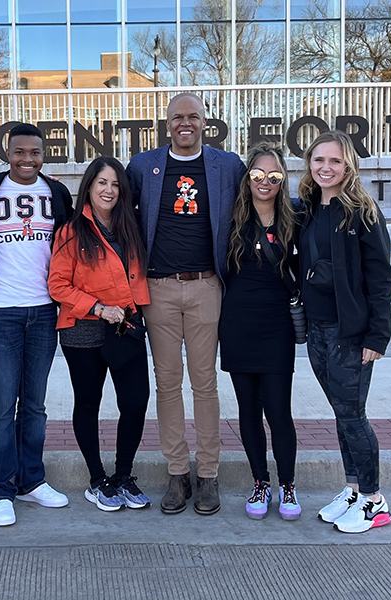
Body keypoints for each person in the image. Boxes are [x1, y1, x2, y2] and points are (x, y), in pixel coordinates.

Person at [126, 92, 246, 515]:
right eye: (178, 117)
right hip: (158, 288)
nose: (185, 123)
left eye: (193, 116)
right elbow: (122, 218)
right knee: (167, 382)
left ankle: (208, 474)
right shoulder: (143, 166)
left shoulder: (226, 165)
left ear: (204, 121)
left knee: (205, 382)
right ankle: (177, 472)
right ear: (167, 123)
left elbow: (258, 206)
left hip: (206, 286)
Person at [0, 124, 72, 526]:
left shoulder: (57, 193)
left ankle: (31, 480)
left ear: (44, 155)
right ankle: (0, 489)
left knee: (35, 405)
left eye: (35, 153)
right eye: (19, 152)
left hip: (45, 310)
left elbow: (73, 243)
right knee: (0, 405)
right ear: (6, 153)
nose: (27, 160)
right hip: (0, 310)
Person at [297, 129, 391, 534]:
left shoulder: (363, 211)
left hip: (349, 333)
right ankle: (353, 488)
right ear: (309, 163)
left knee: (353, 416)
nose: (326, 167)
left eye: (334, 161)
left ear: (348, 165)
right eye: (319, 160)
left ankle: (375, 501)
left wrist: (377, 336)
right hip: (317, 330)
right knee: (341, 414)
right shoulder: (305, 209)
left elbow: (381, 278)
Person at [48, 156, 152, 512]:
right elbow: (57, 284)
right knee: (89, 403)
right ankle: (97, 479)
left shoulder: (131, 227)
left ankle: (123, 476)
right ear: (89, 188)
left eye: (115, 184)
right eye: (101, 183)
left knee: (136, 402)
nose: (109, 190)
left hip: (126, 325)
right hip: (83, 329)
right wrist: (96, 308)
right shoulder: (70, 232)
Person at [218, 143, 302, 521]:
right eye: (256, 175)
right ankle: (260, 483)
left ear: (283, 180)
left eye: (274, 176)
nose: (264, 182)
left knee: (278, 410)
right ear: (246, 178)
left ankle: (288, 485)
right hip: (237, 323)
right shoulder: (231, 218)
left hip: (276, 325)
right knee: (248, 411)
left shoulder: (297, 216)